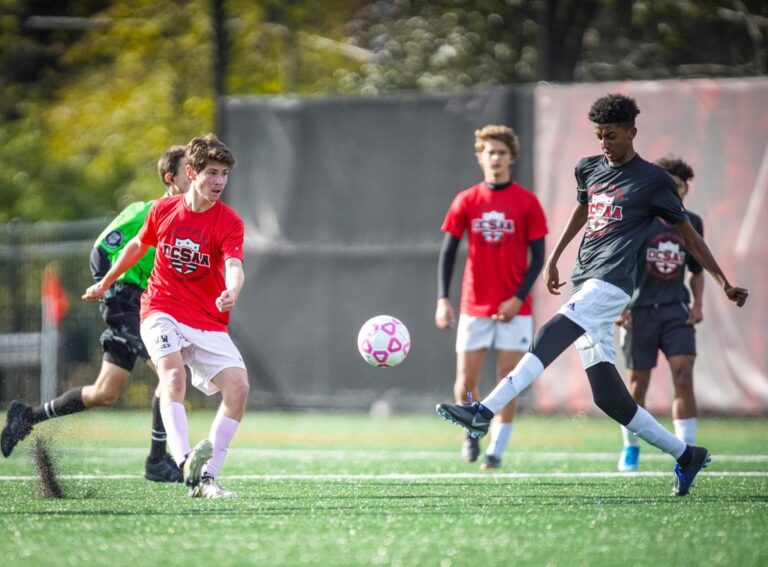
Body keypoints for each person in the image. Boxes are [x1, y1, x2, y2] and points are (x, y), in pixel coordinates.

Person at [436, 94, 748, 496]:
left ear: (632, 133)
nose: (604, 143)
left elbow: (687, 233)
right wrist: (555, 257)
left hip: (613, 283)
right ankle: (686, 455)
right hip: (586, 279)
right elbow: (583, 210)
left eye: (612, 136)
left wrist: (721, 280)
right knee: (608, 396)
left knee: (551, 333)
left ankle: (483, 412)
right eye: (599, 136)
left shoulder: (653, 180)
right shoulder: (589, 169)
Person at [1, 146, 191, 484]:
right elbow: (102, 247)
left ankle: (26, 417)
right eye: (189, 169)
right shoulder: (146, 211)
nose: (196, 175)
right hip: (126, 302)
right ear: (170, 178)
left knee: (105, 392)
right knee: (170, 374)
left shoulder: (189, 222)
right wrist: (109, 288)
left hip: (146, 305)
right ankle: (157, 462)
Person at [82, 133, 248, 499]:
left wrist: (232, 290)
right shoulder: (162, 211)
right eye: (211, 173)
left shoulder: (230, 222)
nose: (219, 181)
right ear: (191, 173)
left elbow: (234, 265)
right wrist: (106, 282)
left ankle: (206, 480)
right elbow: (136, 246)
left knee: (238, 390)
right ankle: (184, 458)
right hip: (161, 308)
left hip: (206, 318)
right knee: (172, 375)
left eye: (224, 174)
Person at [435, 125, 547, 469]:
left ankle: (497, 448)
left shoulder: (527, 202)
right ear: (480, 157)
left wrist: (518, 298)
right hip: (475, 304)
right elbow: (448, 252)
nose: (495, 157)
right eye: (489, 152)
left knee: (508, 378)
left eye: (501, 152)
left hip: (515, 307)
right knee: (466, 381)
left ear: (511, 157)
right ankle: (470, 433)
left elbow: (539, 257)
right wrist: (443, 298)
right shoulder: (466, 200)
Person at [616, 157, 704, 472]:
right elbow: (622, 265)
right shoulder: (641, 219)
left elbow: (697, 270)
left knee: (683, 375)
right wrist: (621, 305)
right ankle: (631, 447)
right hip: (639, 312)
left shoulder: (691, 222)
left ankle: (687, 452)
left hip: (675, 310)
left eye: (677, 186)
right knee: (637, 385)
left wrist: (697, 304)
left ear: (685, 190)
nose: (671, 191)